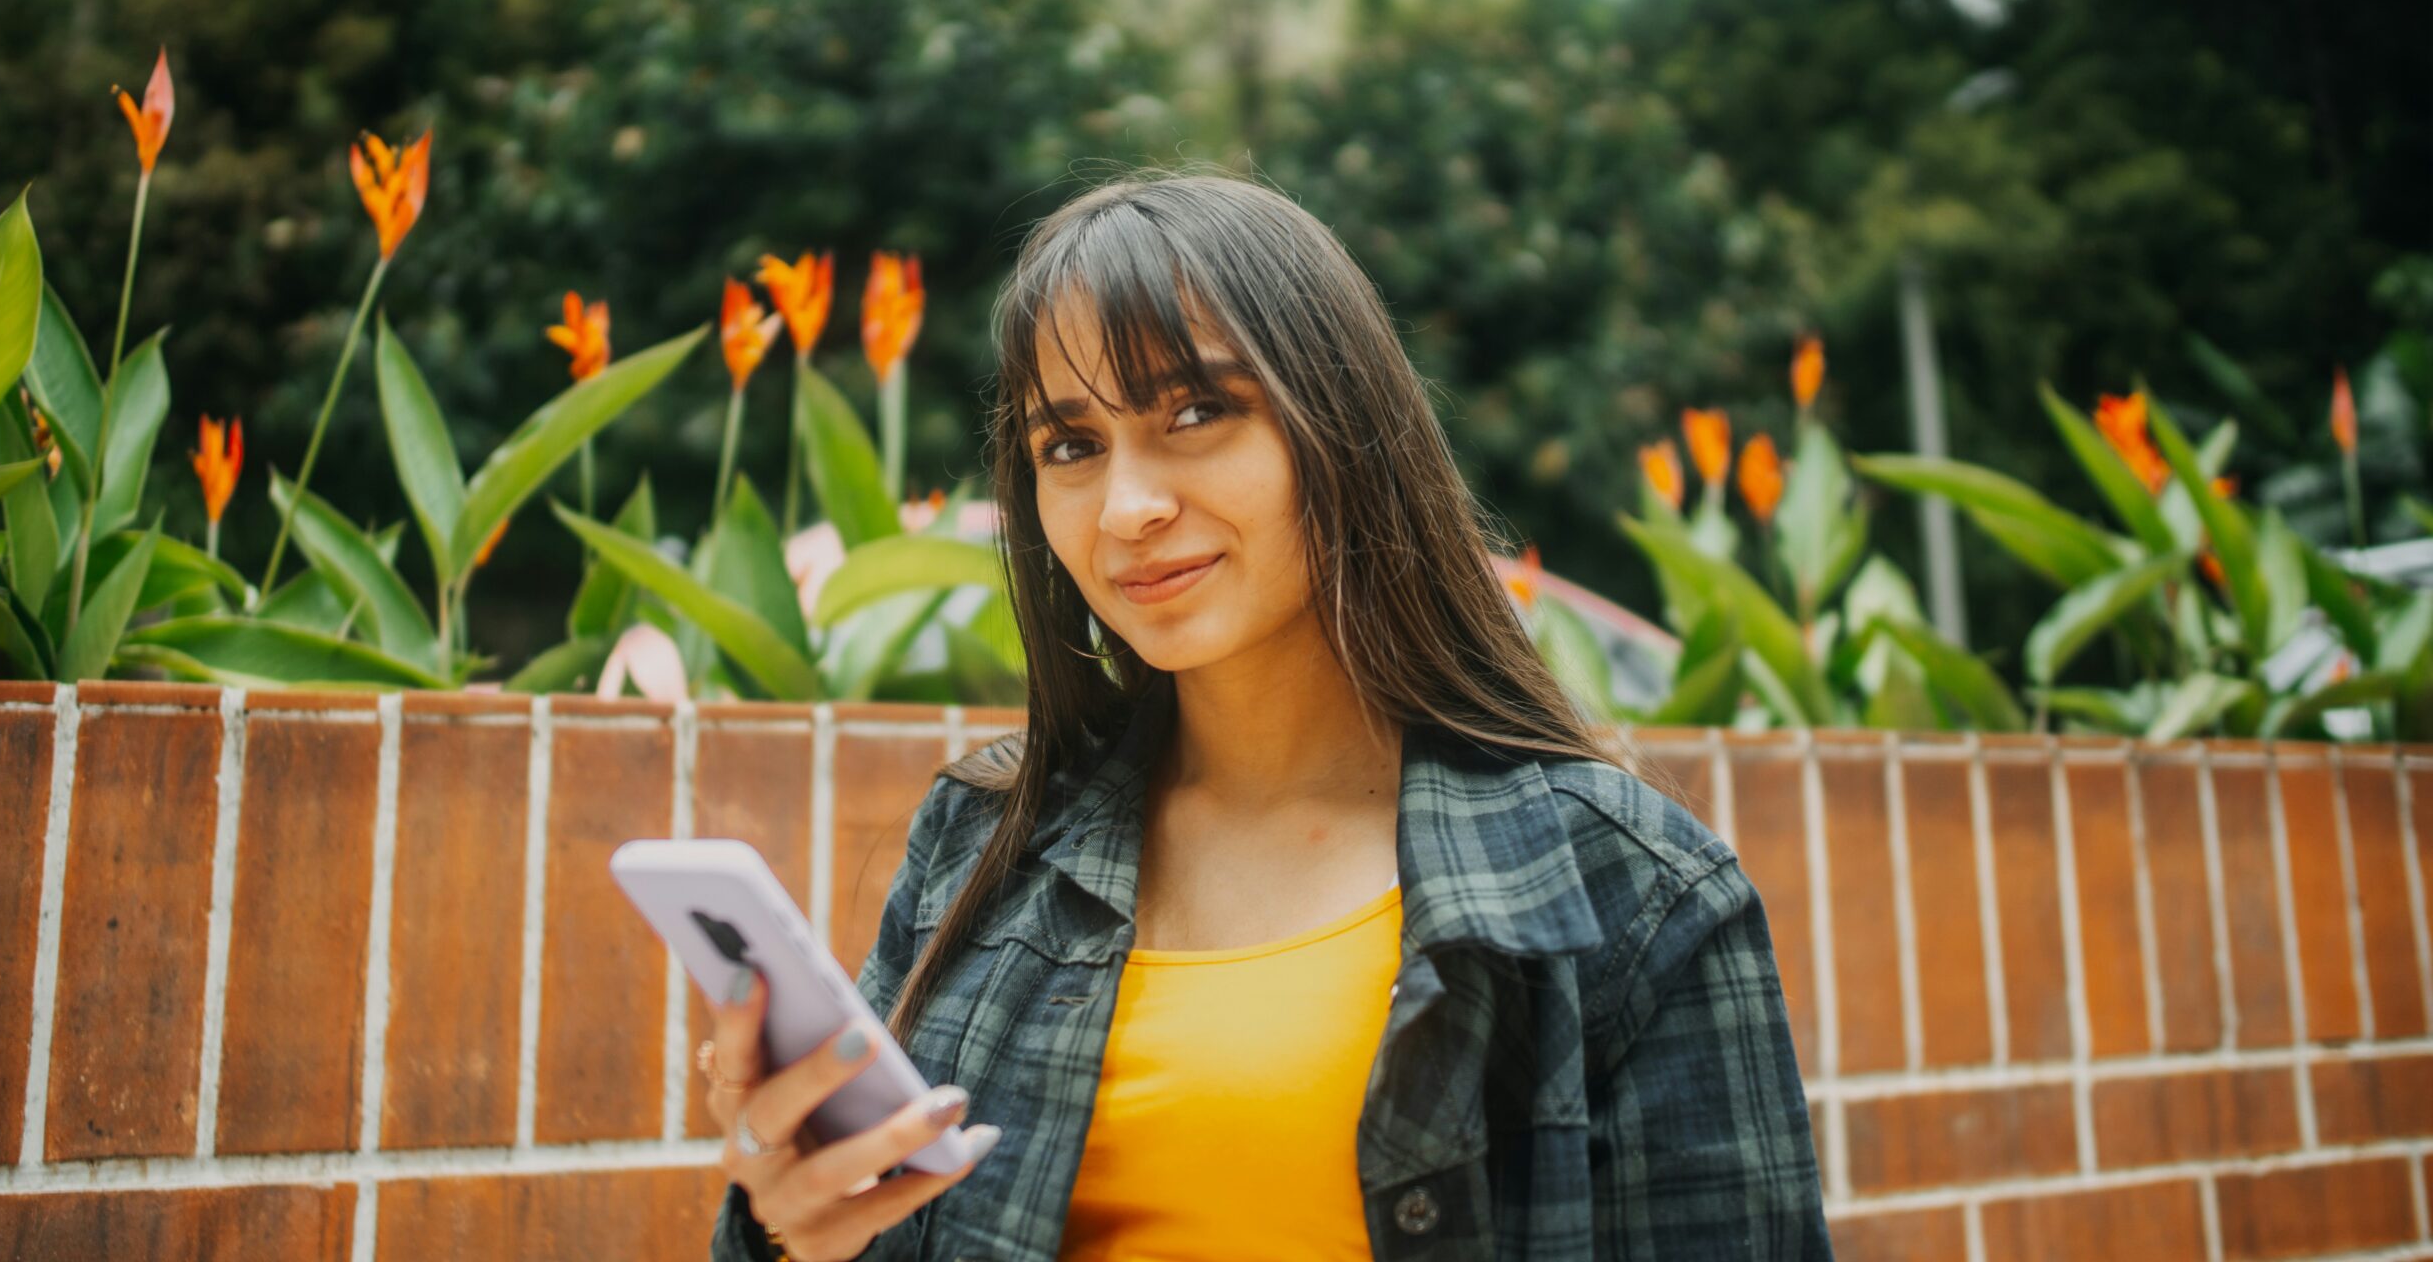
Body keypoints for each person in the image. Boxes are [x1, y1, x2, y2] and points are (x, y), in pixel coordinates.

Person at [695, 173, 1832, 1260]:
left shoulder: (1627, 889)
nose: (1127, 508)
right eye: (1071, 445)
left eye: (1196, 412)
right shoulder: (982, 841)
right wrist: (791, 1231)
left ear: (1341, 426)